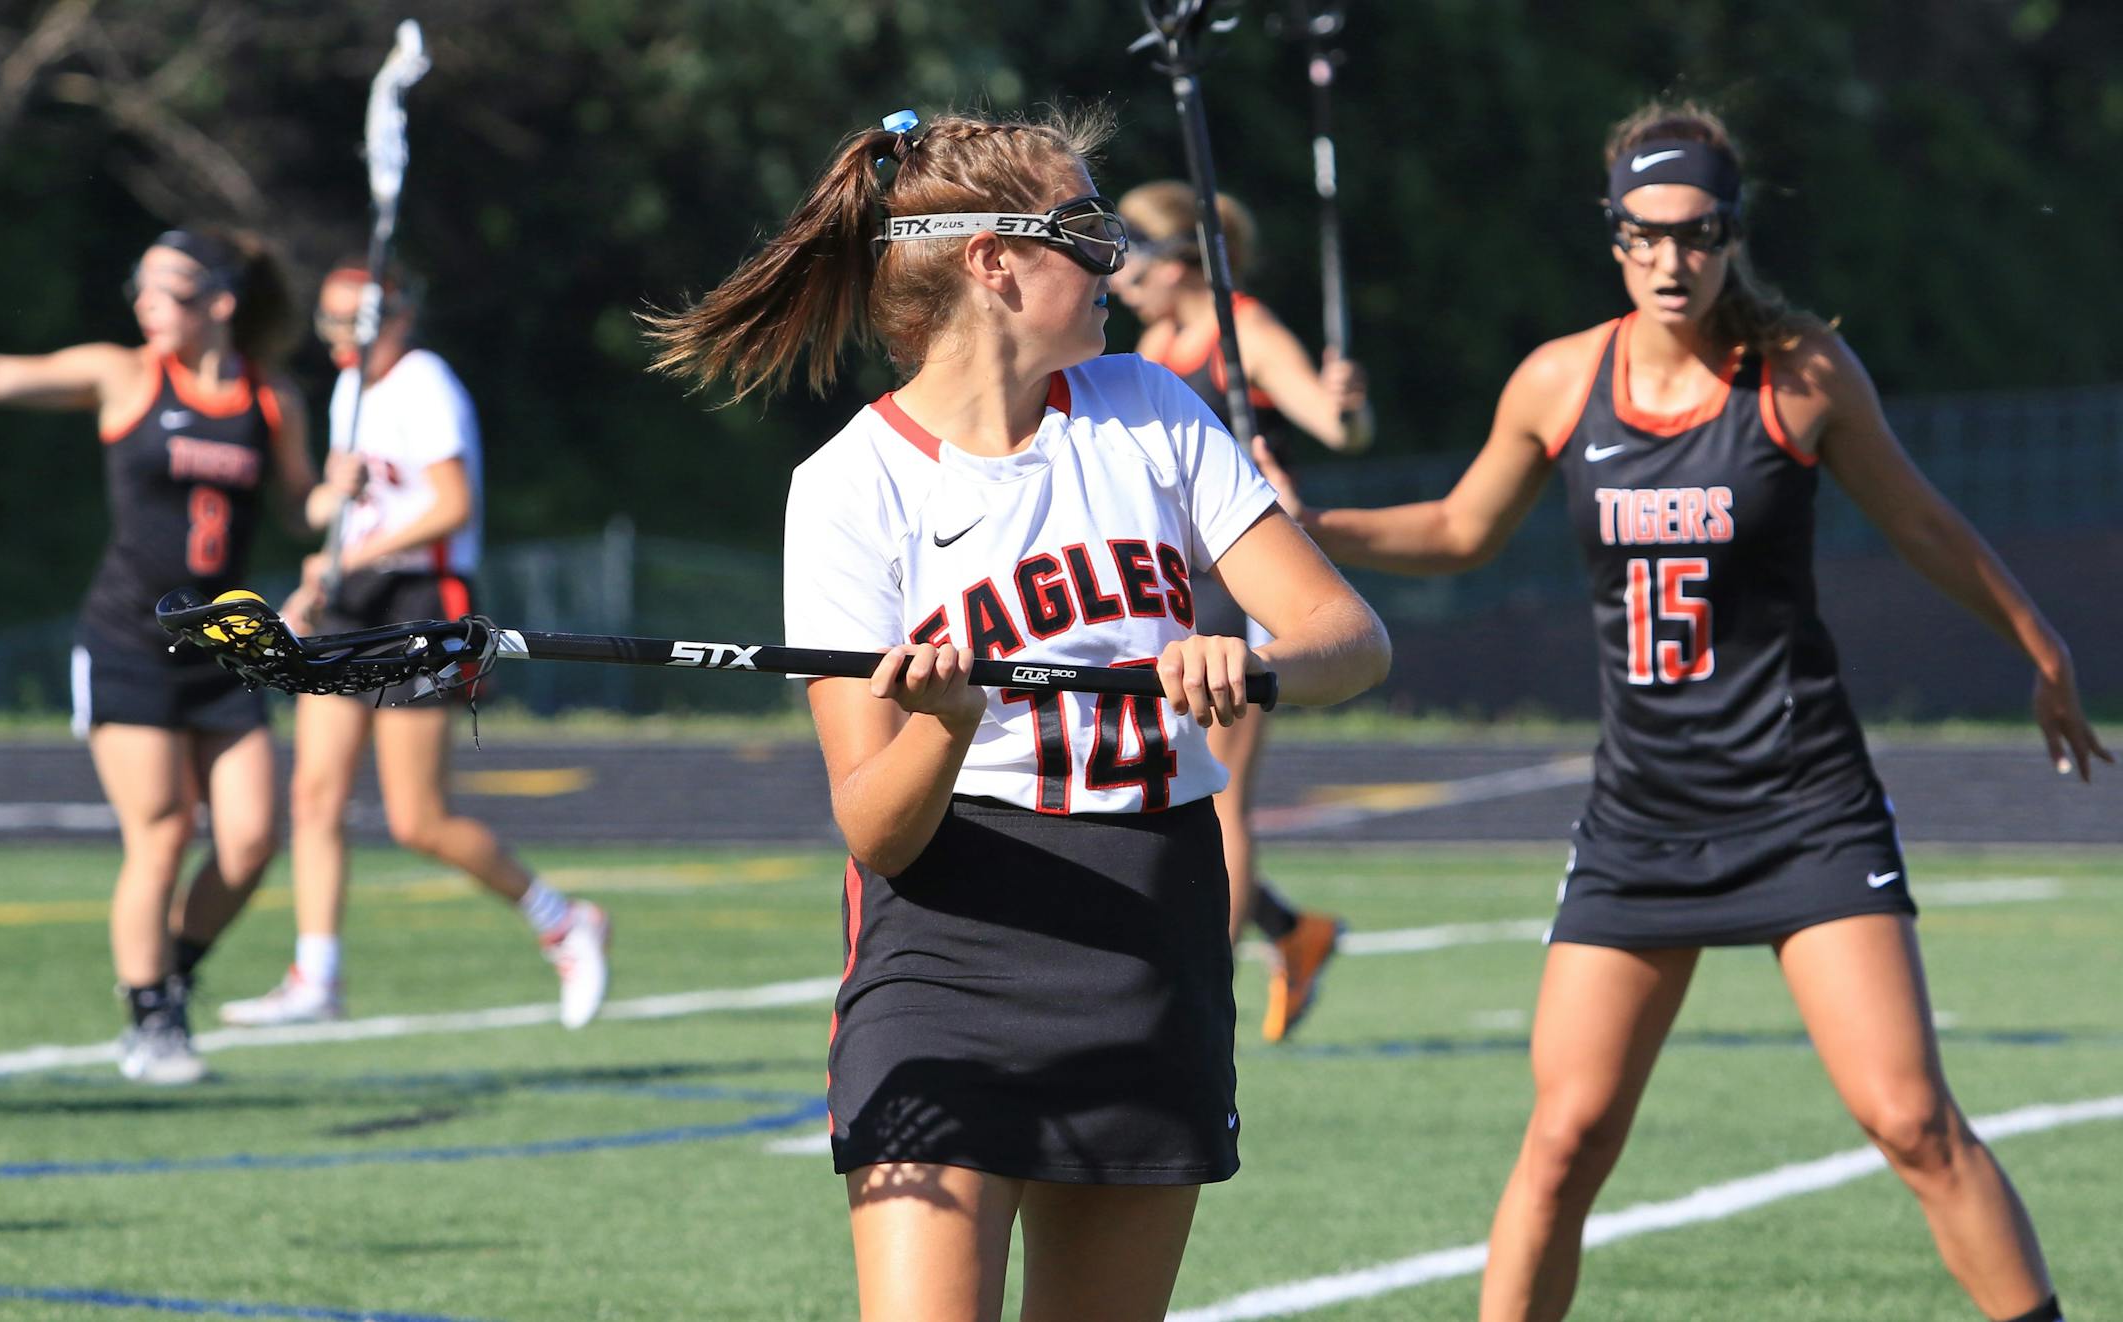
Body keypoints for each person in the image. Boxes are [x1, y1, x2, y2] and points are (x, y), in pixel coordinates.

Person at [1254, 101, 2104, 1322]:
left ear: (1731, 234)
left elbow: (1921, 519)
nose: (1671, 260)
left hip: (1804, 805)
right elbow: (1456, 528)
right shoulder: (1562, 378)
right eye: (1644, 235)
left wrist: (2041, 642)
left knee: (1912, 1120)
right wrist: (1307, 528)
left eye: (1697, 234)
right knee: (1565, 1139)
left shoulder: (1800, 371)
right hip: (1643, 817)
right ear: (1613, 237)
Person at [643, 107, 1390, 1322]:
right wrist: (941, 726)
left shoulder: (1149, 407)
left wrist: (1244, 664)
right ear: (996, 261)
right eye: (1089, 235)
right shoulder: (848, 486)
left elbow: (1349, 640)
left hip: (1153, 921)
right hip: (948, 937)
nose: (1119, 264)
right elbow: (874, 827)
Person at [218, 261, 611, 1030]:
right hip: (352, 601)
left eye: (350, 322)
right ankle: (317, 974)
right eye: (327, 322)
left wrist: (356, 552)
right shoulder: (347, 390)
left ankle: (563, 921)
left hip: (422, 603)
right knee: (315, 793)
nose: (336, 338)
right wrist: (334, 506)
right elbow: (330, 515)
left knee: (418, 819)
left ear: (393, 318)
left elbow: (451, 507)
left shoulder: (425, 382)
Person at [0, 228, 316, 1083]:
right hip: (128, 640)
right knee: (160, 833)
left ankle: (173, 976)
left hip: (225, 647)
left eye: (169, 293)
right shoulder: (126, 374)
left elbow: (306, 511)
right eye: (142, 290)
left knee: (251, 841)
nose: (146, 306)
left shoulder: (272, 400)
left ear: (219, 305)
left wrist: (346, 493)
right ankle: (150, 1017)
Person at [1111, 180, 1373, 1042]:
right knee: (1155, 791)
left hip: (1241, 592)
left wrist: (1345, 402)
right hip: (1171, 595)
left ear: (1183, 261)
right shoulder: (1152, 344)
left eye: (1132, 257)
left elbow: (1336, 429)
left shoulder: (1245, 333)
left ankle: (1194, 1007)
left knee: (1220, 801)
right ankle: (1294, 933)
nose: (1115, 276)